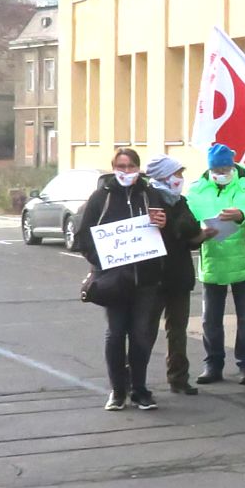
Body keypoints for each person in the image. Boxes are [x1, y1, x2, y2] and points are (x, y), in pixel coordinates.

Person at [71, 148, 170, 411]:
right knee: (115, 334)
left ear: (138, 168)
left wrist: (163, 223)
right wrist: (103, 262)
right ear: (113, 168)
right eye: (121, 166)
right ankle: (117, 390)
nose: (126, 172)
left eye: (130, 166)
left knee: (141, 335)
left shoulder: (150, 194)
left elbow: (168, 234)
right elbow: (83, 236)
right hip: (114, 280)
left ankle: (139, 388)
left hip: (146, 278)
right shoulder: (100, 198)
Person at [184, 143, 245, 385]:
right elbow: (188, 219)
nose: (221, 171)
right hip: (213, 258)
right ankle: (213, 364)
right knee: (210, 318)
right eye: (217, 168)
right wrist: (199, 231)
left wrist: (242, 216)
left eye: (225, 167)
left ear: (233, 165)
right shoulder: (197, 189)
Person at [143, 155, 203, 396]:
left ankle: (178, 377)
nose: (180, 179)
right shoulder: (148, 200)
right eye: (176, 174)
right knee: (145, 330)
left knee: (177, 329)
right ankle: (134, 379)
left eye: (180, 174)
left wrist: (202, 234)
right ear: (164, 176)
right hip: (154, 276)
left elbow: (190, 232)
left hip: (179, 275)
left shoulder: (180, 201)